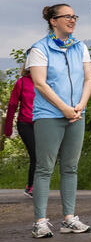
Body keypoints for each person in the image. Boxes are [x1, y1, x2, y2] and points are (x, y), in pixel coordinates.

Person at [27, 4, 91, 238]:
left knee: (70, 167)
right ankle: (40, 222)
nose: (72, 20)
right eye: (67, 16)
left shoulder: (80, 47)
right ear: (53, 21)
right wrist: (64, 108)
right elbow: (40, 84)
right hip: (49, 115)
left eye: (74, 16)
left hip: (76, 114)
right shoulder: (39, 49)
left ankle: (69, 218)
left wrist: (80, 106)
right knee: (44, 168)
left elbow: (88, 78)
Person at [4, 62, 36, 197]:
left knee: (43, 156)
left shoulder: (46, 81)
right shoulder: (21, 83)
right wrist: (8, 128)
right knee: (35, 155)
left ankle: (36, 185)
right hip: (25, 124)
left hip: (43, 124)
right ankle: (31, 186)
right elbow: (12, 105)